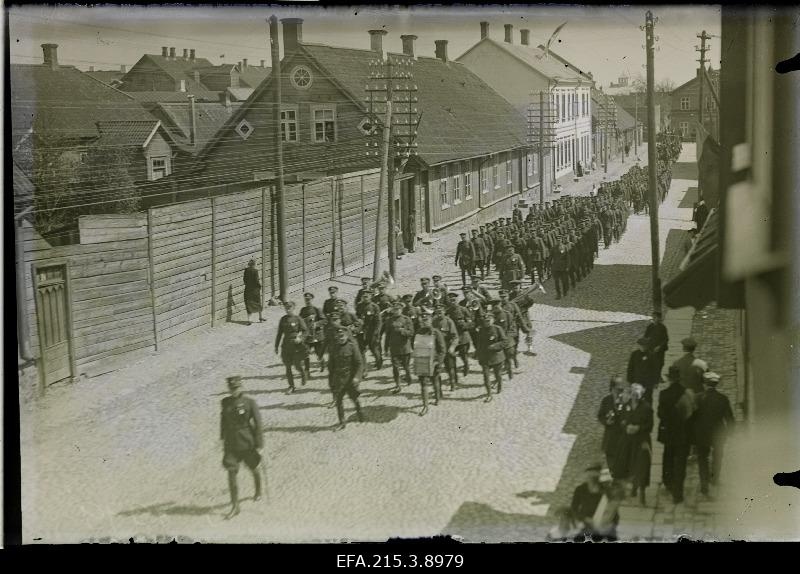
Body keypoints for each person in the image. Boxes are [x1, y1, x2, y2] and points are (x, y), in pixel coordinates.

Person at [220, 376, 263, 519]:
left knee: (253, 467)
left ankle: (258, 490)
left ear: (241, 387)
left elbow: (258, 424)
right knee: (231, 473)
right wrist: (222, 437)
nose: (233, 391)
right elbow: (223, 421)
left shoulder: (250, 403)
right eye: (231, 388)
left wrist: (260, 444)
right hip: (231, 443)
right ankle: (235, 506)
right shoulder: (225, 402)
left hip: (247, 442)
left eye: (236, 388)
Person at [693, 372, 735, 499]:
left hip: (702, 434)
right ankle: (715, 478)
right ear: (715, 385)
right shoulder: (723, 399)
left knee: (702, 458)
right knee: (718, 455)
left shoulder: (698, 398)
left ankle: (704, 484)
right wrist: (729, 433)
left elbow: (692, 418)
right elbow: (730, 419)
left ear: (705, 384)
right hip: (718, 433)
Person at [657, 366, 695, 504]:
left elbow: (660, 414)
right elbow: (692, 416)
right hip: (683, 435)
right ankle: (678, 494)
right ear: (679, 379)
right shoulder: (688, 394)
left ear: (669, 379)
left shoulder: (663, 394)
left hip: (668, 434)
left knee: (668, 458)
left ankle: (668, 483)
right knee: (680, 464)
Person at [614, 383, 654, 506]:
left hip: (641, 441)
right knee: (626, 465)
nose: (634, 397)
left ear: (641, 396)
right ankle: (631, 489)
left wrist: (638, 428)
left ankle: (641, 492)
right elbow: (621, 420)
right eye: (633, 395)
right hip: (627, 441)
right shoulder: (626, 406)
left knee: (642, 467)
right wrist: (626, 426)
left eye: (637, 395)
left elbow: (650, 426)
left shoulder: (647, 408)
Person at [328, 326, 365, 431]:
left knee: (354, 398)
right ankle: (342, 422)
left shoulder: (352, 347)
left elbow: (359, 363)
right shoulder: (333, 348)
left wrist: (357, 377)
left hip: (350, 378)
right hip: (339, 379)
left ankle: (359, 412)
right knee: (339, 401)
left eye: (343, 336)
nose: (341, 338)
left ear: (347, 336)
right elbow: (331, 366)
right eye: (339, 337)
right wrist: (331, 381)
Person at [569, 464, 619, 541]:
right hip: (586, 523)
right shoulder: (580, 489)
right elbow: (573, 509)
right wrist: (584, 519)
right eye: (589, 476)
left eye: (593, 477)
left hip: (604, 525)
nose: (590, 479)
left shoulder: (606, 491)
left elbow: (614, 512)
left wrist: (611, 525)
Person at [414, 310, 447, 416]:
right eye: (423, 320)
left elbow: (442, 349)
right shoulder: (418, 332)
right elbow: (414, 345)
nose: (425, 322)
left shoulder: (436, 332)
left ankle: (437, 398)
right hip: (422, 361)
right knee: (423, 383)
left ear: (431, 320)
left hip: (434, 362)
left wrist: (438, 362)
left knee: (435, 380)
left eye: (426, 320)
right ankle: (425, 406)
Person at [597, 375, 628, 478]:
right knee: (610, 464)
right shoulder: (606, 400)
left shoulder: (625, 400)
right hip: (610, 438)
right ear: (612, 388)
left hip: (622, 437)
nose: (620, 390)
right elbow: (600, 415)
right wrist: (607, 421)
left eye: (621, 388)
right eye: (618, 388)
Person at [274, 301, 308, 393]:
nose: (288, 309)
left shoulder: (298, 319)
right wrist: (276, 346)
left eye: (290, 308)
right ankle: (291, 386)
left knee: (297, 365)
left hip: (296, 346)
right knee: (287, 366)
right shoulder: (283, 319)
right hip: (286, 346)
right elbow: (279, 334)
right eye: (286, 308)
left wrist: (300, 338)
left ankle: (302, 373)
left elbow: (305, 331)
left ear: (293, 308)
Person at [384, 301, 415, 394]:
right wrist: (386, 348)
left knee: (406, 367)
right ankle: (398, 385)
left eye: (398, 309)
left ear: (401, 310)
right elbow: (387, 335)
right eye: (395, 309)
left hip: (405, 347)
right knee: (395, 368)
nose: (396, 311)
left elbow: (411, 333)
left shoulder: (407, 319)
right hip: (394, 348)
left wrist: (403, 331)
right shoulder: (389, 320)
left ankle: (408, 378)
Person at [475, 313, 506, 402]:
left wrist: (494, 346)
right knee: (486, 376)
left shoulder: (498, 329)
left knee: (498, 374)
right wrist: (477, 353)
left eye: (488, 321)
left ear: (492, 320)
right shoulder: (481, 330)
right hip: (485, 357)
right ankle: (489, 394)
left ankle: (499, 384)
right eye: (485, 321)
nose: (487, 323)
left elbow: (505, 342)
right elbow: (479, 343)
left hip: (496, 357)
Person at [432, 304, 459, 391]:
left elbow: (455, 337)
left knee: (450, 367)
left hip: (447, 347)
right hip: (437, 349)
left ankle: (452, 383)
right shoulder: (433, 321)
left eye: (440, 312)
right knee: (437, 368)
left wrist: (452, 347)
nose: (439, 313)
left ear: (444, 311)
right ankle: (438, 389)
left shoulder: (449, 321)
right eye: (437, 312)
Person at [356, 290, 383, 370]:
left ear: (370, 297)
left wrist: (376, 332)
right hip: (362, 331)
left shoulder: (374, 307)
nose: (365, 298)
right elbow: (357, 316)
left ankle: (379, 362)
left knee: (374, 349)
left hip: (372, 331)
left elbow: (378, 321)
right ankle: (364, 368)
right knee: (361, 350)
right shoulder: (359, 306)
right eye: (364, 297)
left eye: (367, 296)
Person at [299, 292, 325, 375]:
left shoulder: (317, 310)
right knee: (305, 354)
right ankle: (307, 371)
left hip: (317, 336)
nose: (307, 301)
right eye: (306, 299)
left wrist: (316, 324)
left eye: (309, 299)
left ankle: (322, 362)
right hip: (307, 336)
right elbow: (299, 321)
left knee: (319, 354)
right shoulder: (303, 310)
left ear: (312, 299)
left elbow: (324, 320)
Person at [627, 337, 657, 404]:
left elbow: (655, 369)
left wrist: (655, 382)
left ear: (647, 346)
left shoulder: (651, 355)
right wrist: (629, 380)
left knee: (648, 400)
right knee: (635, 400)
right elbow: (630, 368)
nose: (643, 347)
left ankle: (648, 413)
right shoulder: (634, 354)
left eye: (645, 345)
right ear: (638, 345)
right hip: (636, 382)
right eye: (641, 345)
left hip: (648, 383)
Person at [644, 310, 669, 381]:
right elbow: (645, 337)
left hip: (660, 350)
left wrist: (659, 347)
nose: (654, 319)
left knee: (660, 363)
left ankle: (658, 376)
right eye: (653, 317)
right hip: (651, 349)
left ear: (659, 318)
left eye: (655, 317)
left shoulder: (662, 327)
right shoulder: (650, 327)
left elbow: (666, 339)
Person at [243, 258, 265, 325]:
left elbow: (244, 280)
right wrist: (259, 287)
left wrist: (248, 285)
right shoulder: (255, 271)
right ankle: (260, 317)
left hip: (248, 290)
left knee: (248, 304)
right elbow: (256, 281)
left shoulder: (246, 270)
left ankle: (249, 320)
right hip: (255, 290)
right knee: (258, 303)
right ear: (254, 264)